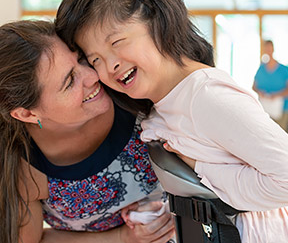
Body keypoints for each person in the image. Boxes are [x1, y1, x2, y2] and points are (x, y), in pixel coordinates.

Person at [55, 0, 288, 243]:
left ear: (159, 22)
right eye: (95, 59)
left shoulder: (207, 97)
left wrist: (200, 168)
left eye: (117, 42)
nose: (110, 66)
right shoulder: (160, 104)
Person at [0, 20, 175, 243]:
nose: (93, 76)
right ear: (27, 114)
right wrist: (123, 237)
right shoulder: (22, 165)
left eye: (81, 59)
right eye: (70, 81)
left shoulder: (127, 86)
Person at [252, 40, 288, 132]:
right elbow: (254, 86)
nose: (268, 50)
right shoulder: (261, 69)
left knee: (281, 133)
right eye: (266, 48)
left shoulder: (283, 69)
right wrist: (261, 93)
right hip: (266, 107)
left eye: (269, 48)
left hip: (282, 108)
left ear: (273, 49)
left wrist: (277, 95)